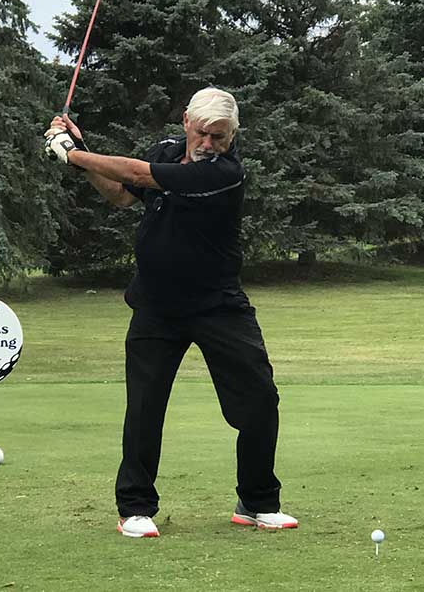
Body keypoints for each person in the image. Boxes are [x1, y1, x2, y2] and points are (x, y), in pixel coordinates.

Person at [44, 87, 298, 538]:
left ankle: (257, 501)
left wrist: (71, 154)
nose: (209, 144)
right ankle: (135, 508)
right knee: (145, 407)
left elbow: (137, 173)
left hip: (218, 306)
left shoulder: (224, 172)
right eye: (202, 133)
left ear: (233, 135)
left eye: (220, 136)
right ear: (185, 122)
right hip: (156, 306)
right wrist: (78, 153)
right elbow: (122, 194)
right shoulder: (166, 151)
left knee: (260, 401)